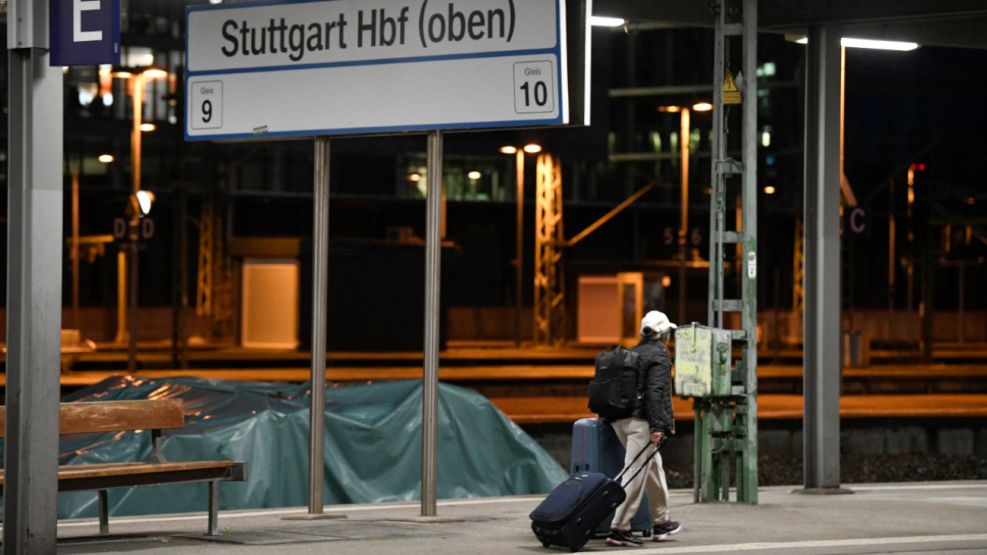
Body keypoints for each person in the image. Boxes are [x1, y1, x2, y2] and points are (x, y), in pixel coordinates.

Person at [606, 310, 683, 546]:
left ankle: (662, 521)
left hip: (621, 420)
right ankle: (618, 528)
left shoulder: (633, 352)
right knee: (635, 473)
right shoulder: (659, 355)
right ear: (663, 334)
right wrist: (658, 427)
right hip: (641, 424)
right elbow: (656, 393)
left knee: (653, 469)